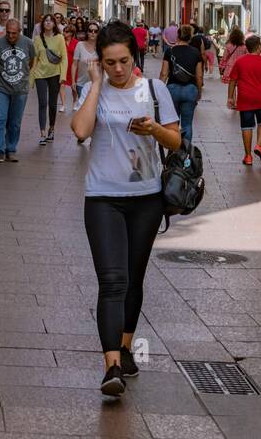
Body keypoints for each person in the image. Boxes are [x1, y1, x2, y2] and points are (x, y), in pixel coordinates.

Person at [71, 21, 180, 399]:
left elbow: (177, 139)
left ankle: (127, 346)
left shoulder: (154, 89)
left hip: (146, 198)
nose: (118, 69)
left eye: (124, 61)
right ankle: (112, 364)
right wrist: (96, 85)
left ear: (135, 57)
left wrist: (153, 131)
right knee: (112, 280)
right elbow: (80, 131)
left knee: (134, 279)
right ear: (99, 62)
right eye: (109, 62)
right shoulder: (92, 90)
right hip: (102, 196)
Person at [0, 19, 35, 162]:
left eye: (14, 33)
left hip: (20, 89)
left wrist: (21, 77)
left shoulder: (28, 43)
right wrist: (2, 78)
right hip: (1, 87)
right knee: (0, 118)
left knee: (15, 121)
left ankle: (11, 149)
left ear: (19, 32)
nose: (10, 36)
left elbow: (31, 61)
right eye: (8, 33)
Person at [227, 34, 261, 166]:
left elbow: (233, 80)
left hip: (245, 99)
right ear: (259, 47)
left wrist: (230, 97)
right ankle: (259, 146)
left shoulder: (240, 62)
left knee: (246, 126)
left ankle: (248, 156)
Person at [160, 23, 203, 142]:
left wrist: (159, 91)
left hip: (172, 89)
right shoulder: (195, 52)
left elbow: (164, 74)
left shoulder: (170, 51)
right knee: (187, 124)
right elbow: (199, 76)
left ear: (178, 36)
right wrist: (198, 92)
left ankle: (174, 152)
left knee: (172, 123)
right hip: (190, 89)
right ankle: (186, 153)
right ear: (190, 37)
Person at [32, 13, 68, 145]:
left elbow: (64, 58)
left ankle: (51, 129)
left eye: (50, 21)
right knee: (42, 103)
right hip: (40, 74)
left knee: (52, 104)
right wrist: (31, 79)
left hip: (55, 74)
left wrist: (63, 76)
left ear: (54, 24)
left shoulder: (59, 38)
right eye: (46, 20)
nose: (48, 23)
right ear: (42, 24)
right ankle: (42, 133)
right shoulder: (37, 39)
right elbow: (34, 59)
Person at [61, 22, 78, 112]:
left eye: (67, 32)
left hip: (73, 66)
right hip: (63, 66)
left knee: (73, 85)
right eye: (64, 31)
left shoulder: (76, 43)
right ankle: (63, 105)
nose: (65, 33)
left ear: (71, 33)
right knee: (62, 84)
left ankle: (75, 102)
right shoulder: (61, 41)